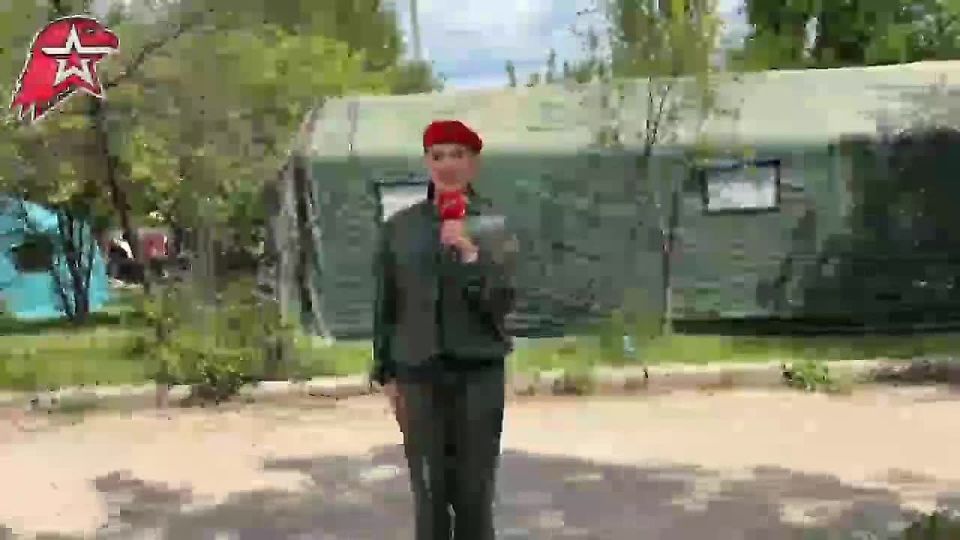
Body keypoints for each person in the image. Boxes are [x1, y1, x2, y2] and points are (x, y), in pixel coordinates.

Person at [371, 119, 518, 540]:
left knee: (474, 493)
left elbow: (502, 303)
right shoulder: (400, 228)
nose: (448, 164)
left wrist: (470, 255)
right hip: (417, 373)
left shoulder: (494, 225)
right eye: (438, 156)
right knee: (429, 493)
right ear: (427, 163)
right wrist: (386, 372)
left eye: (458, 155)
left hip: (478, 373)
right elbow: (386, 303)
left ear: (474, 163)